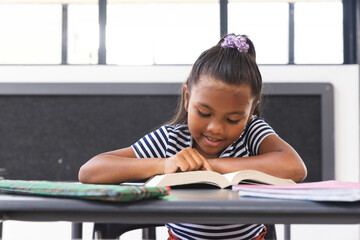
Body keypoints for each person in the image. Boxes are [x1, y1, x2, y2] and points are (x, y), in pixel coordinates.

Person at [79, 33, 307, 240]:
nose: (216, 128)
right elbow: (90, 171)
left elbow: (295, 168)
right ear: (187, 97)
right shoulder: (171, 140)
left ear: (250, 111)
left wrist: (212, 166)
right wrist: (163, 164)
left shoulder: (252, 132)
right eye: (204, 113)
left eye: (233, 119)